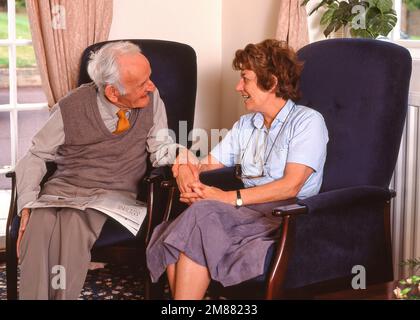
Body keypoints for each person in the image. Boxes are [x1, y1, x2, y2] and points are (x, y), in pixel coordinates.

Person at [146, 39, 329, 300]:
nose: (238, 87)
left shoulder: (308, 122)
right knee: (196, 219)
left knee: (199, 216)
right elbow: (207, 164)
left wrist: (225, 198)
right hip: (246, 212)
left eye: (245, 79)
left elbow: (292, 186)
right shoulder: (247, 124)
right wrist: (185, 169)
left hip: (289, 216)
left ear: (272, 82)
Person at [15, 41, 195, 300]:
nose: (152, 86)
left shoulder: (152, 102)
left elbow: (159, 149)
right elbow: (36, 154)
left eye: (149, 78)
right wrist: (28, 202)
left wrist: (181, 155)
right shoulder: (71, 107)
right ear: (113, 92)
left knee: (74, 223)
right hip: (64, 189)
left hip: (111, 195)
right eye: (142, 83)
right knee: (39, 223)